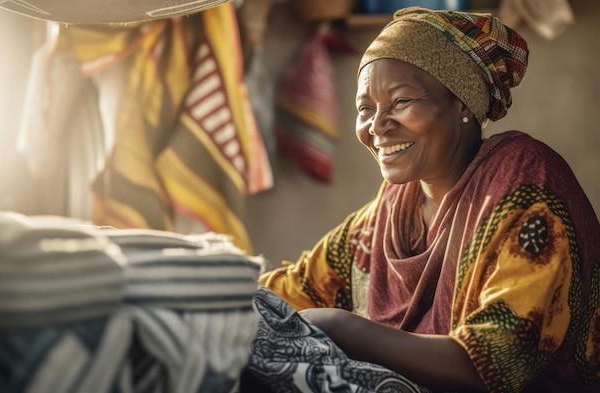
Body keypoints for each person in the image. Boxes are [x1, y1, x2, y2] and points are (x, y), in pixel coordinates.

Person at [242, 6, 600, 393]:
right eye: (366, 109)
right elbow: (291, 291)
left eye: (399, 102)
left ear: (461, 102)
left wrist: (340, 325)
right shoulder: (393, 211)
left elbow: (493, 363)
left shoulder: (525, 185)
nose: (377, 126)